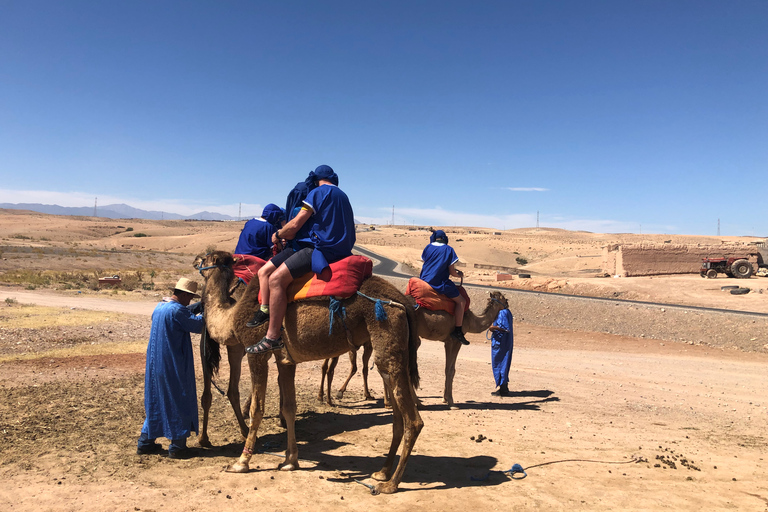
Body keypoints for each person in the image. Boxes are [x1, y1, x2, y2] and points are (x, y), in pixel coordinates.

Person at [245, 165, 355, 354]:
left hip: (320, 249)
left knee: (276, 279)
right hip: (342, 251)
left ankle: (272, 337)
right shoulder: (344, 196)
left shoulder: (318, 193)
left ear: (315, 180)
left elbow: (295, 224)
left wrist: (279, 234)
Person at [137, 277, 205, 458]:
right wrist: (208, 311)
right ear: (183, 295)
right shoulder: (177, 311)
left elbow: (179, 315)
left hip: (155, 363)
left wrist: (195, 307)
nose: (189, 301)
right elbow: (198, 325)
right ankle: (178, 446)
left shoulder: (159, 307)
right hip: (172, 363)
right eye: (189, 298)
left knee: (157, 401)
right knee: (178, 398)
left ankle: (145, 442)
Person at [420, 229, 469, 345]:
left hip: (423, 280)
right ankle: (458, 330)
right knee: (461, 301)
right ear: (444, 238)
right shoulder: (449, 250)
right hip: (438, 282)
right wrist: (459, 275)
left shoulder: (428, 247)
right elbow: (452, 272)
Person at [489, 307, 513, 396]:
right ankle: (503, 387)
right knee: (503, 364)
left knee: (500, 364)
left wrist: (493, 328)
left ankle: (503, 388)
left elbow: (505, 328)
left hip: (501, 343)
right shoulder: (507, 312)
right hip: (504, 342)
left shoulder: (502, 313)